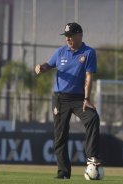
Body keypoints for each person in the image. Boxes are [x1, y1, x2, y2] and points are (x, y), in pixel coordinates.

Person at [35, 22, 101, 179]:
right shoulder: (60, 52)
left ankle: (92, 159)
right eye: (66, 36)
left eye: (71, 36)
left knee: (93, 117)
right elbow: (48, 65)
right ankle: (63, 173)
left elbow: (89, 77)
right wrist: (41, 67)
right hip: (60, 99)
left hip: (79, 98)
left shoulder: (89, 52)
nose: (68, 39)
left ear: (80, 35)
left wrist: (86, 98)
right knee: (60, 136)